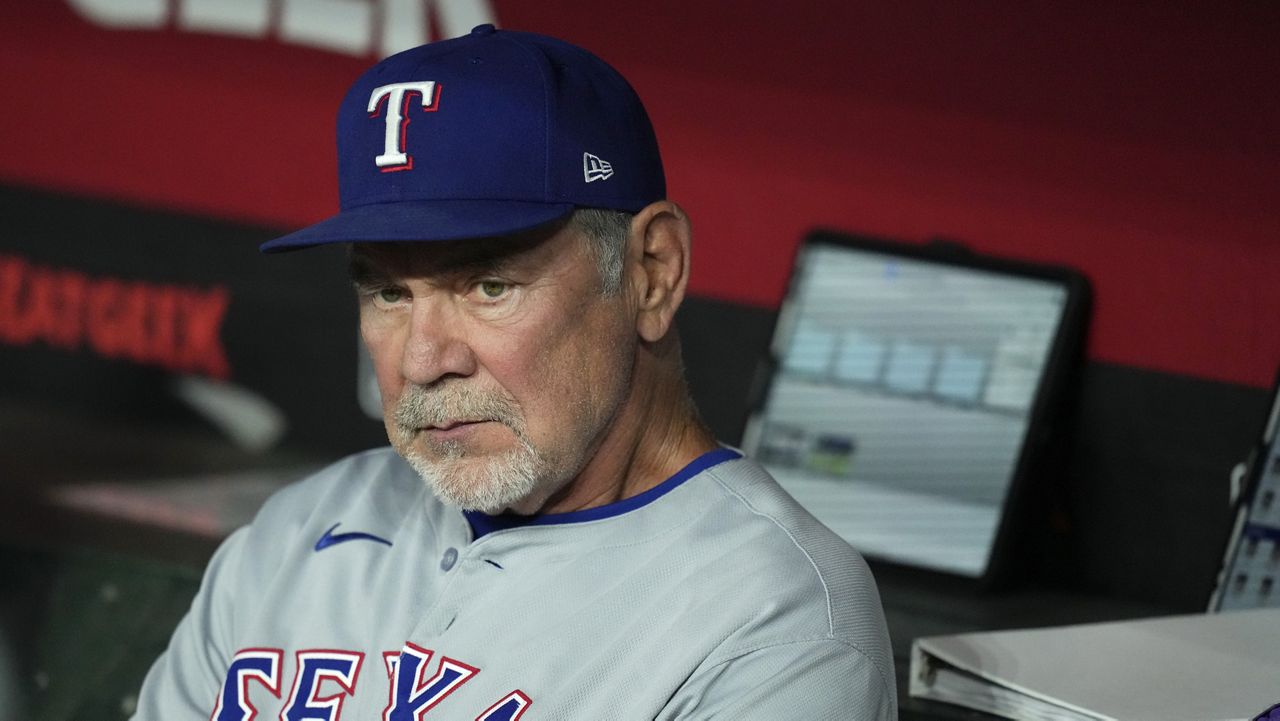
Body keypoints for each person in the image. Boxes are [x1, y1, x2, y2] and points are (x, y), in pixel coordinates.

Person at [133, 25, 895, 720]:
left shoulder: (774, 624)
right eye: (389, 292)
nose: (425, 360)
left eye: (488, 285)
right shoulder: (294, 533)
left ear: (651, 272)